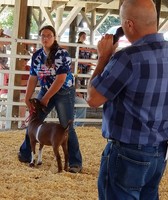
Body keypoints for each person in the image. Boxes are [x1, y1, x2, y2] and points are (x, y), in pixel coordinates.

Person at [87, 0, 168, 199]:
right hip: (159, 150)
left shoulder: (128, 58)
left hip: (127, 150)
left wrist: (104, 57)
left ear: (129, 25)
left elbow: (93, 98)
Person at [18, 25, 82, 173]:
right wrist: (28, 98)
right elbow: (33, 78)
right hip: (46, 90)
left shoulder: (62, 54)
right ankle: (26, 153)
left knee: (67, 125)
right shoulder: (37, 56)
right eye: (43, 35)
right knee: (34, 121)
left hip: (63, 91)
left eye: (49, 35)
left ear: (54, 38)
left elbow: (61, 79)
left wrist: (45, 98)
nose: (45, 38)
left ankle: (75, 162)